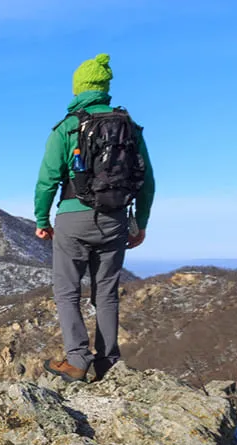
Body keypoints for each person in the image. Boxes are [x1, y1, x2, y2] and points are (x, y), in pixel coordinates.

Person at [32, 54, 155, 382]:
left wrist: (42, 220)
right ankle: (108, 361)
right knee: (106, 292)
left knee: (67, 290)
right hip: (115, 219)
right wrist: (139, 223)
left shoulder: (68, 128)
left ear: (78, 89)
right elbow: (147, 181)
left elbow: (47, 180)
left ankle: (77, 360)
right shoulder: (128, 127)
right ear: (105, 88)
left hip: (73, 218)